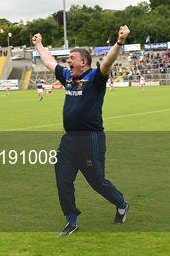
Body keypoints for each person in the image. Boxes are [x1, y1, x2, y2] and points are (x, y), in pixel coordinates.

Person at [32, 25, 131, 237]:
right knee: (63, 179)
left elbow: (107, 62)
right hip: (68, 140)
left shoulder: (95, 78)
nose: (68, 61)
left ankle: (121, 203)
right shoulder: (67, 76)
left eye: (71, 58)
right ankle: (71, 220)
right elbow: (49, 61)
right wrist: (39, 45)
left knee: (97, 182)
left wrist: (120, 42)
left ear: (83, 62)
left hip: (91, 139)